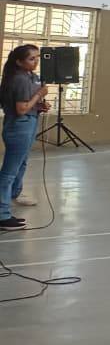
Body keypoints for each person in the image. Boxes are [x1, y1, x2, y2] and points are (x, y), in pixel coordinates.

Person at [0, 44, 49, 229]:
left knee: (21, 164)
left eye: (37, 58)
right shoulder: (19, 79)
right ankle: (2, 215)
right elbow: (21, 109)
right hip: (19, 126)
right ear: (19, 62)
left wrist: (39, 105)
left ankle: (11, 197)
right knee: (9, 172)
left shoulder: (31, 77)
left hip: (30, 122)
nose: (36, 62)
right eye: (31, 58)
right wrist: (39, 95)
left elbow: (28, 104)